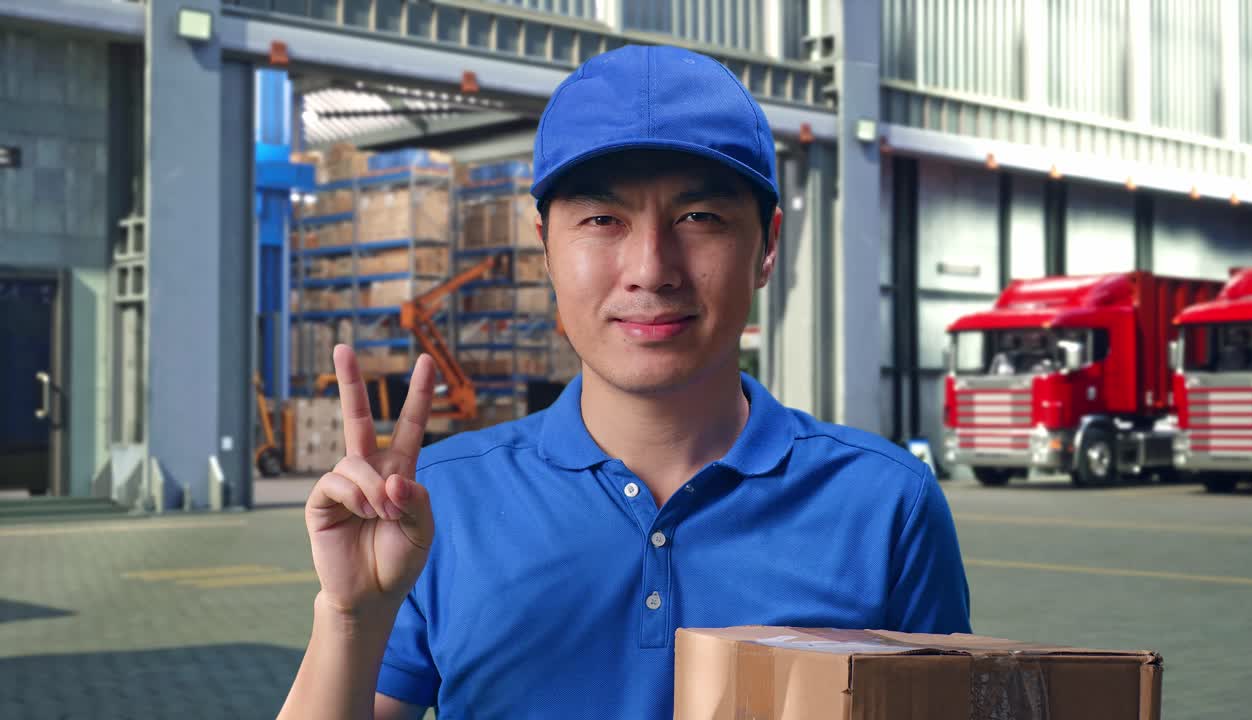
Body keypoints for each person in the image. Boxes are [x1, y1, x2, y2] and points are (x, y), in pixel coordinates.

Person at [279, 44, 970, 720]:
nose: (651, 268)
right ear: (545, 244)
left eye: (700, 218)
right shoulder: (437, 503)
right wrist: (349, 619)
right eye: (603, 219)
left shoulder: (884, 507)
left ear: (767, 247)